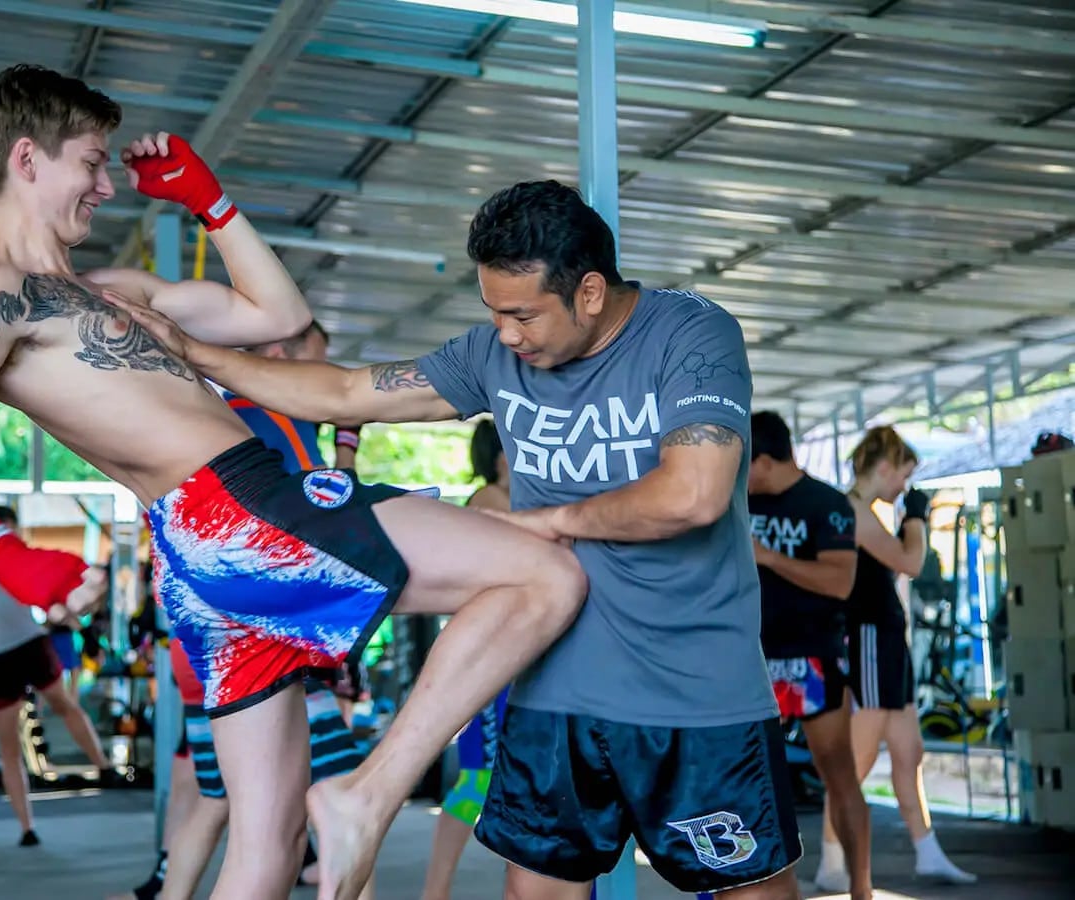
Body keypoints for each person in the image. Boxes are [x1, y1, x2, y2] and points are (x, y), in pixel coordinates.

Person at [0, 64, 584, 900]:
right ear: (27, 159)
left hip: (207, 565)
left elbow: (277, 318)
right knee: (546, 572)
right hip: (240, 512)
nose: (107, 186)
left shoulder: (115, 292)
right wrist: (0, 551)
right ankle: (367, 794)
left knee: (268, 845)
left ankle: (347, 804)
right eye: (92, 164)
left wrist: (212, 202)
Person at [115, 178, 803, 900]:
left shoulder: (690, 334)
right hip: (555, 692)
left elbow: (692, 494)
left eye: (524, 315)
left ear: (591, 292)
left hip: (695, 695)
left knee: (752, 893)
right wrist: (198, 354)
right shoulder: (493, 357)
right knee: (534, 893)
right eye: (494, 312)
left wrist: (542, 523)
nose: (507, 334)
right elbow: (346, 393)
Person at [115, 322, 379, 900]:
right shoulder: (266, 420)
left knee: (219, 802)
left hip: (213, 634)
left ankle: (171, 893)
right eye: (319, 363)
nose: (327, 379)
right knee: (346, 799)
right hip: (259, 637)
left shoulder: (234, 416)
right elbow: (314, 515)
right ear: (282, 356)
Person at [816, 425, 976, 890]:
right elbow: (910, 562)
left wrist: (909, 517)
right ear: (884, 468)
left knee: (910, 752)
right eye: (903, 476)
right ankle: (831, 860)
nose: (904, 487)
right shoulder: (855, 511)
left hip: (889, 639)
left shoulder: (872, 512)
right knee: (857, 760)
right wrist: (917, 518)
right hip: (867, 640)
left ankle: (928, 852)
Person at [746, 411, 872, 900]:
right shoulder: (737, 499)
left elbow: (840, 581)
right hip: (752, 655)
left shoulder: (827, 504)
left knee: (837, 771)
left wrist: (771, 557)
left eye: (745, 465)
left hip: (811, 656)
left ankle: (861, 888)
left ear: (765, 459)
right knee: (749, 772)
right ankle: (766, 885)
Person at [0, 503, 119, 846]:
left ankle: (103, 767)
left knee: (61, 707)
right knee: (11, 743)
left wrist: (82, 629)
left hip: (24, 642)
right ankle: (27, 826)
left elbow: (48, 598)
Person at [420, 418, 511, 900]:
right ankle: (435, 892)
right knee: (478, 781)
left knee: (503, 782)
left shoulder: (499, 501)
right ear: (502, 457)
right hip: (493, 666)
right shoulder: (490, 503)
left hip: (507, 661)